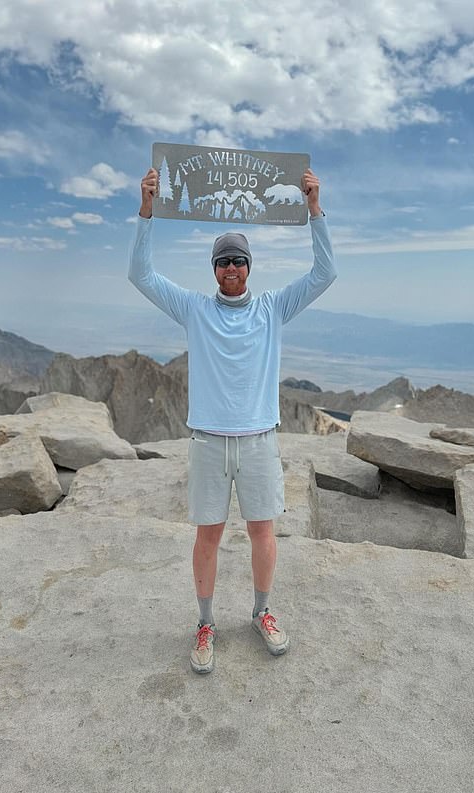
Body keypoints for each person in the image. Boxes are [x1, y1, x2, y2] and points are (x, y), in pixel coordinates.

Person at [129, 165, 336, 674]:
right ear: (213, 268)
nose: (231, 269)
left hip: (259, 440)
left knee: (264, 533)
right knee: (208, 536)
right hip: (208, 442)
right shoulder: (195, 309)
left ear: (250, 266)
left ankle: (262, 611)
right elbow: (141, 276)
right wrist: (146, 212)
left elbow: (324, 275)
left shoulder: (272, 307)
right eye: (223, 261)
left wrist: (314, 211)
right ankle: (205, 622)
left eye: (238, 261)